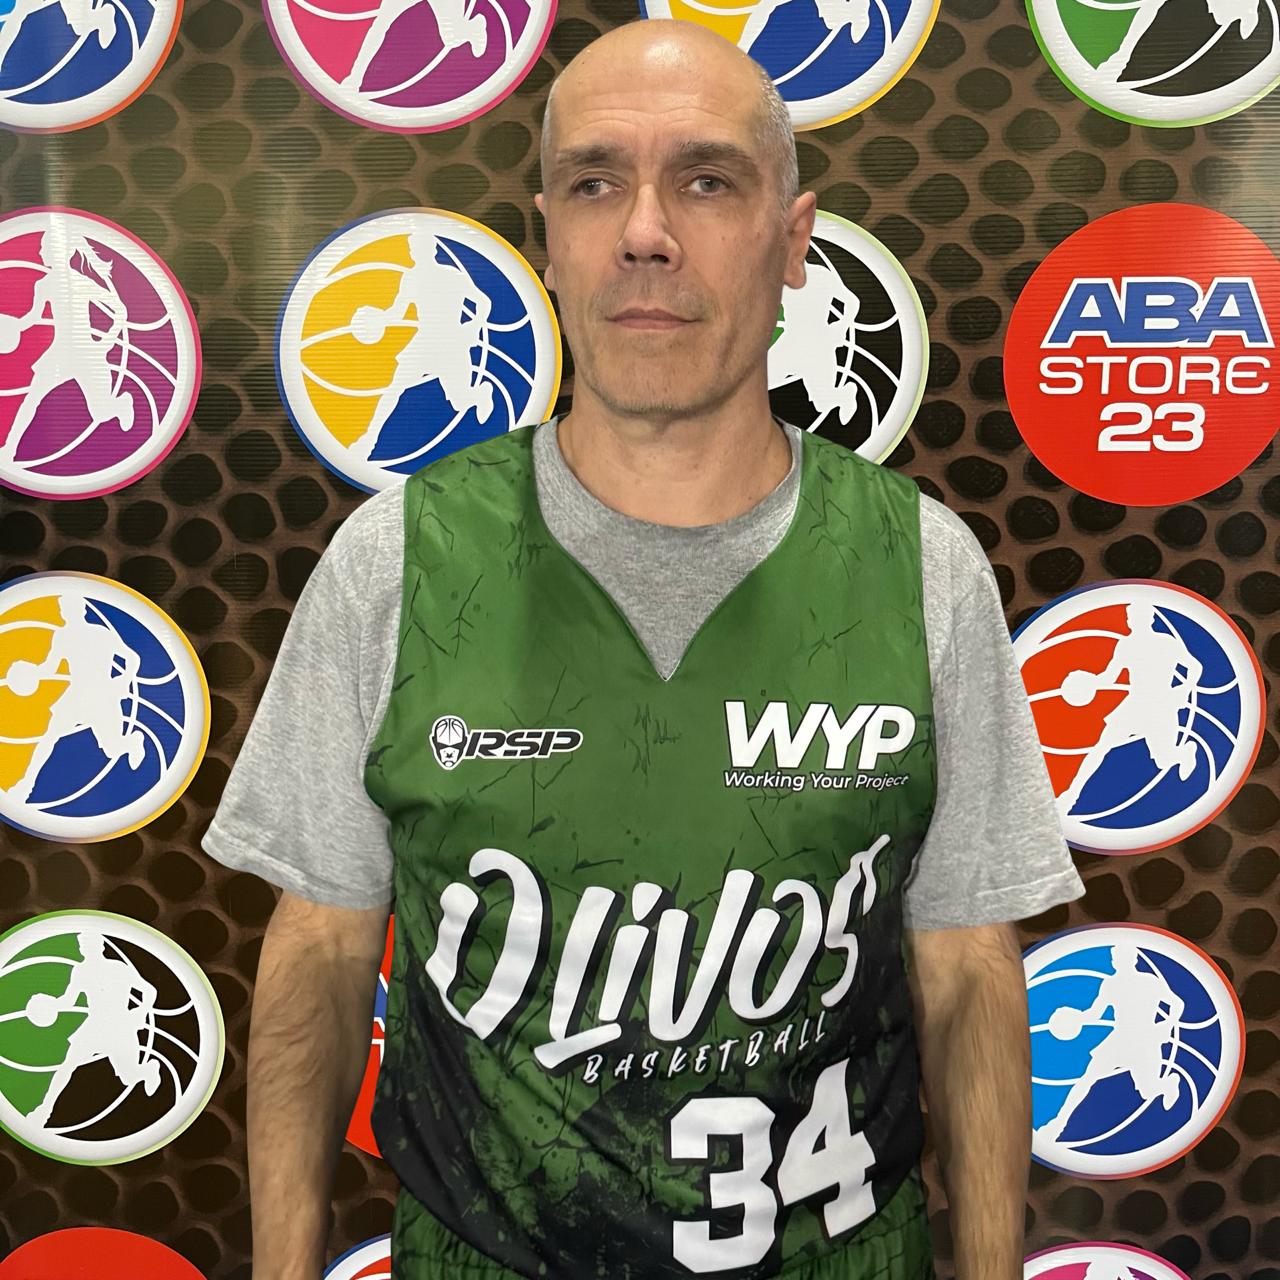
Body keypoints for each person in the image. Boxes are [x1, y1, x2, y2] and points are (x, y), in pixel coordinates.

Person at [202, 18, 1085, 1280]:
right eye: (594, 182)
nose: (644, 232)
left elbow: (964, 970)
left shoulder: (919, 565)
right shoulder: (397, 558)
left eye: (707, 181)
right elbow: (325, 949)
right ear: (547, 240)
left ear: (793, 239)